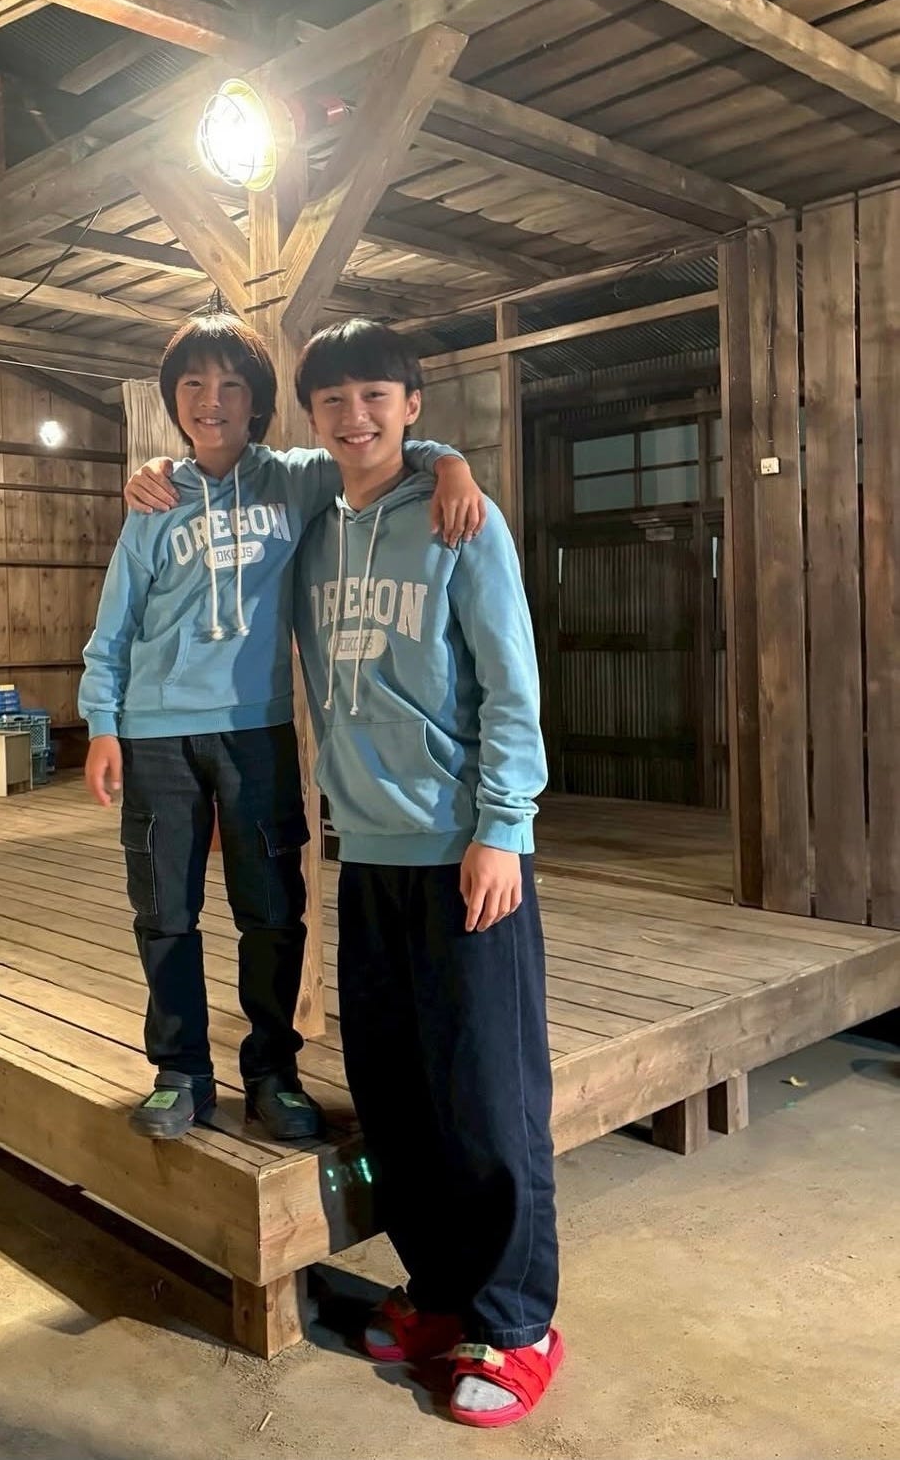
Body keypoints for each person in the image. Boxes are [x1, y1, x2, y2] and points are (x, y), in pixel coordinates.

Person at [78, 310, 484, 1144]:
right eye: (194, 383)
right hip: (155, 735)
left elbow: (379, 447)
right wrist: (102, 722)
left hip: (257, 730)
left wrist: (453, 464)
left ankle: (271, 1070)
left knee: (272, 909)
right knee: (164, 911)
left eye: (232, 384)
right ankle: (181, 1072)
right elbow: (113, 623)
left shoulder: (295, 480)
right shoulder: (155, 500)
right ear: (173, 400)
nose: (212, 399)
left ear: (259, 402)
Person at [291, 318, 562, 1429]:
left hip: (463, 854)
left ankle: (518, 1320)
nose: (354, 417)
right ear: (312, 418)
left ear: (411, 402)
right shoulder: (316, 524)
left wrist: (503, 825)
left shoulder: (463, 519)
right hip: (367, 856)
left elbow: (510, 679)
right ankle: (440, 1291)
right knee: (397, 1093)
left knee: (490, 1096)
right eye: (332, 400)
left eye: (375, 396)